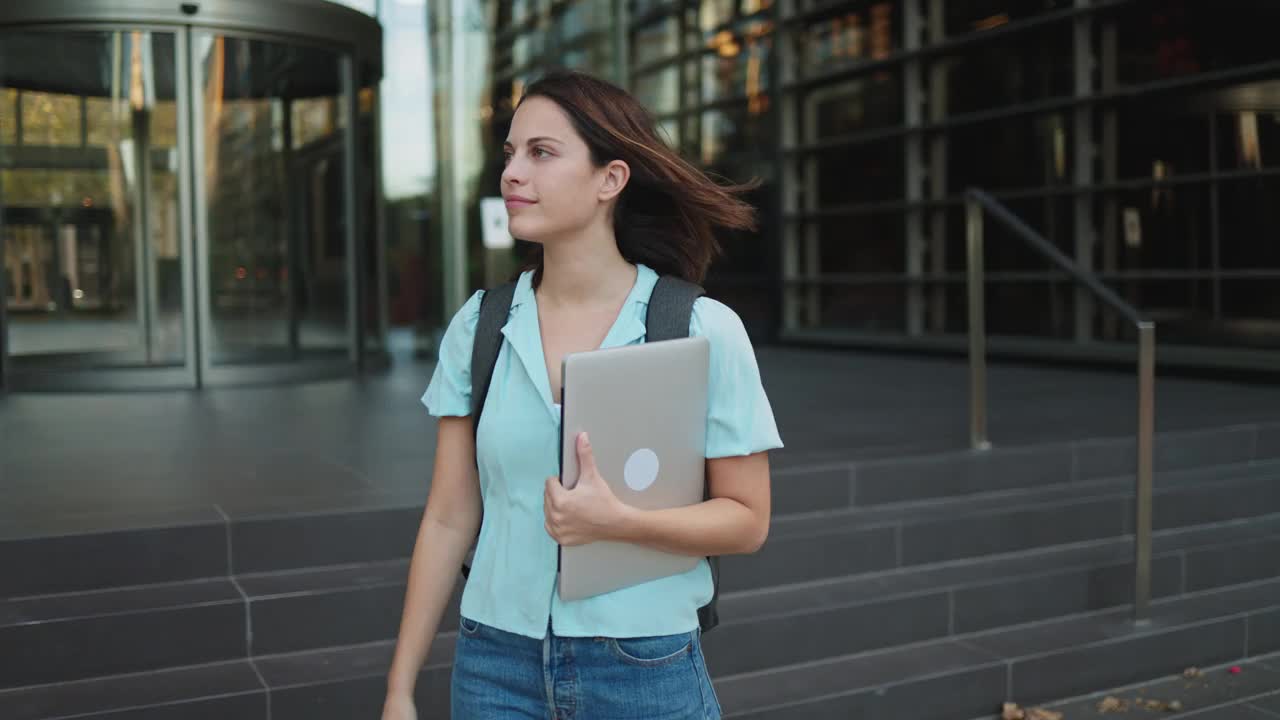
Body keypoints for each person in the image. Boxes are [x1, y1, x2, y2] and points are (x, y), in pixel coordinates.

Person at [382, 69, 783, 720]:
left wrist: (620, 523)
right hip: (493, 667)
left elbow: (748, 519)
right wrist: (400, 688)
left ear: (610, 179)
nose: (513, 174)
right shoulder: (480, 326)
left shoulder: (702, 331)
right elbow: (450, 516)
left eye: (542, 153)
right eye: (509, 154)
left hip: (642, 667)